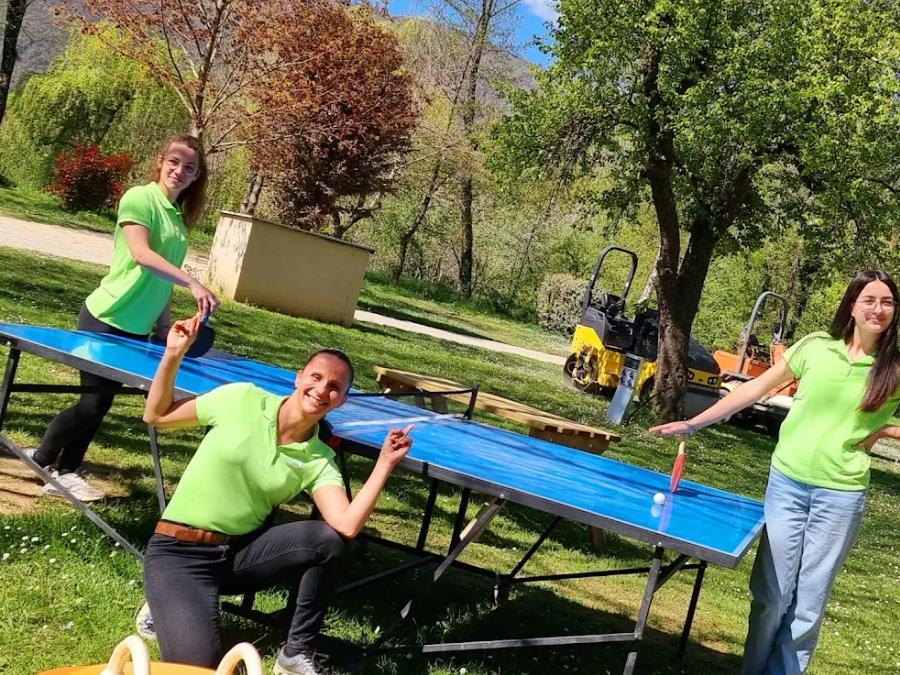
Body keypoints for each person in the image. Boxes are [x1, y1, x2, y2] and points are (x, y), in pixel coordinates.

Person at [651, 270, 900, 675]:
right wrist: (694, 423)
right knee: (771, 596)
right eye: (869, 300)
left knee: (808, 604)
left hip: (841, 496)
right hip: (788, 485)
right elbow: (755, 388)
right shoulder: (816, 347)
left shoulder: (893, 369)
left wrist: (884, 430)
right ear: (852, 306)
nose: (878, 309)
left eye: (887, 302)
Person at [141, 314, 413, 675]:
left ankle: (295, 652)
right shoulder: (241, 399)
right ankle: (165, 601)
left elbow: (346, 525)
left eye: (335, 386)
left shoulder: (318, 458)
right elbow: (157, 414)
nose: (322, 389)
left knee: (328, 541)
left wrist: (385, 464)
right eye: (316, 377)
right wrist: (173, 354)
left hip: (236, 558)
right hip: (178, 554)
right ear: (298, 377)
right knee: (201, 669)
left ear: (343, 399)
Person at [27, 134, 219, 501]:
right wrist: (193, 283)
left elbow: (161, 280)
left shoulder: (177, 219)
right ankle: (42, 460)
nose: (179, 171)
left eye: (189, 167)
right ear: (160, 161)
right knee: (92, 404)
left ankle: (65, 472)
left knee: (99, 405)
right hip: (106, 316)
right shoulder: (139, 198)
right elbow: (142, 255)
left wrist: (162, 324)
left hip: (136, 328)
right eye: (174, 162)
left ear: (197, 176)